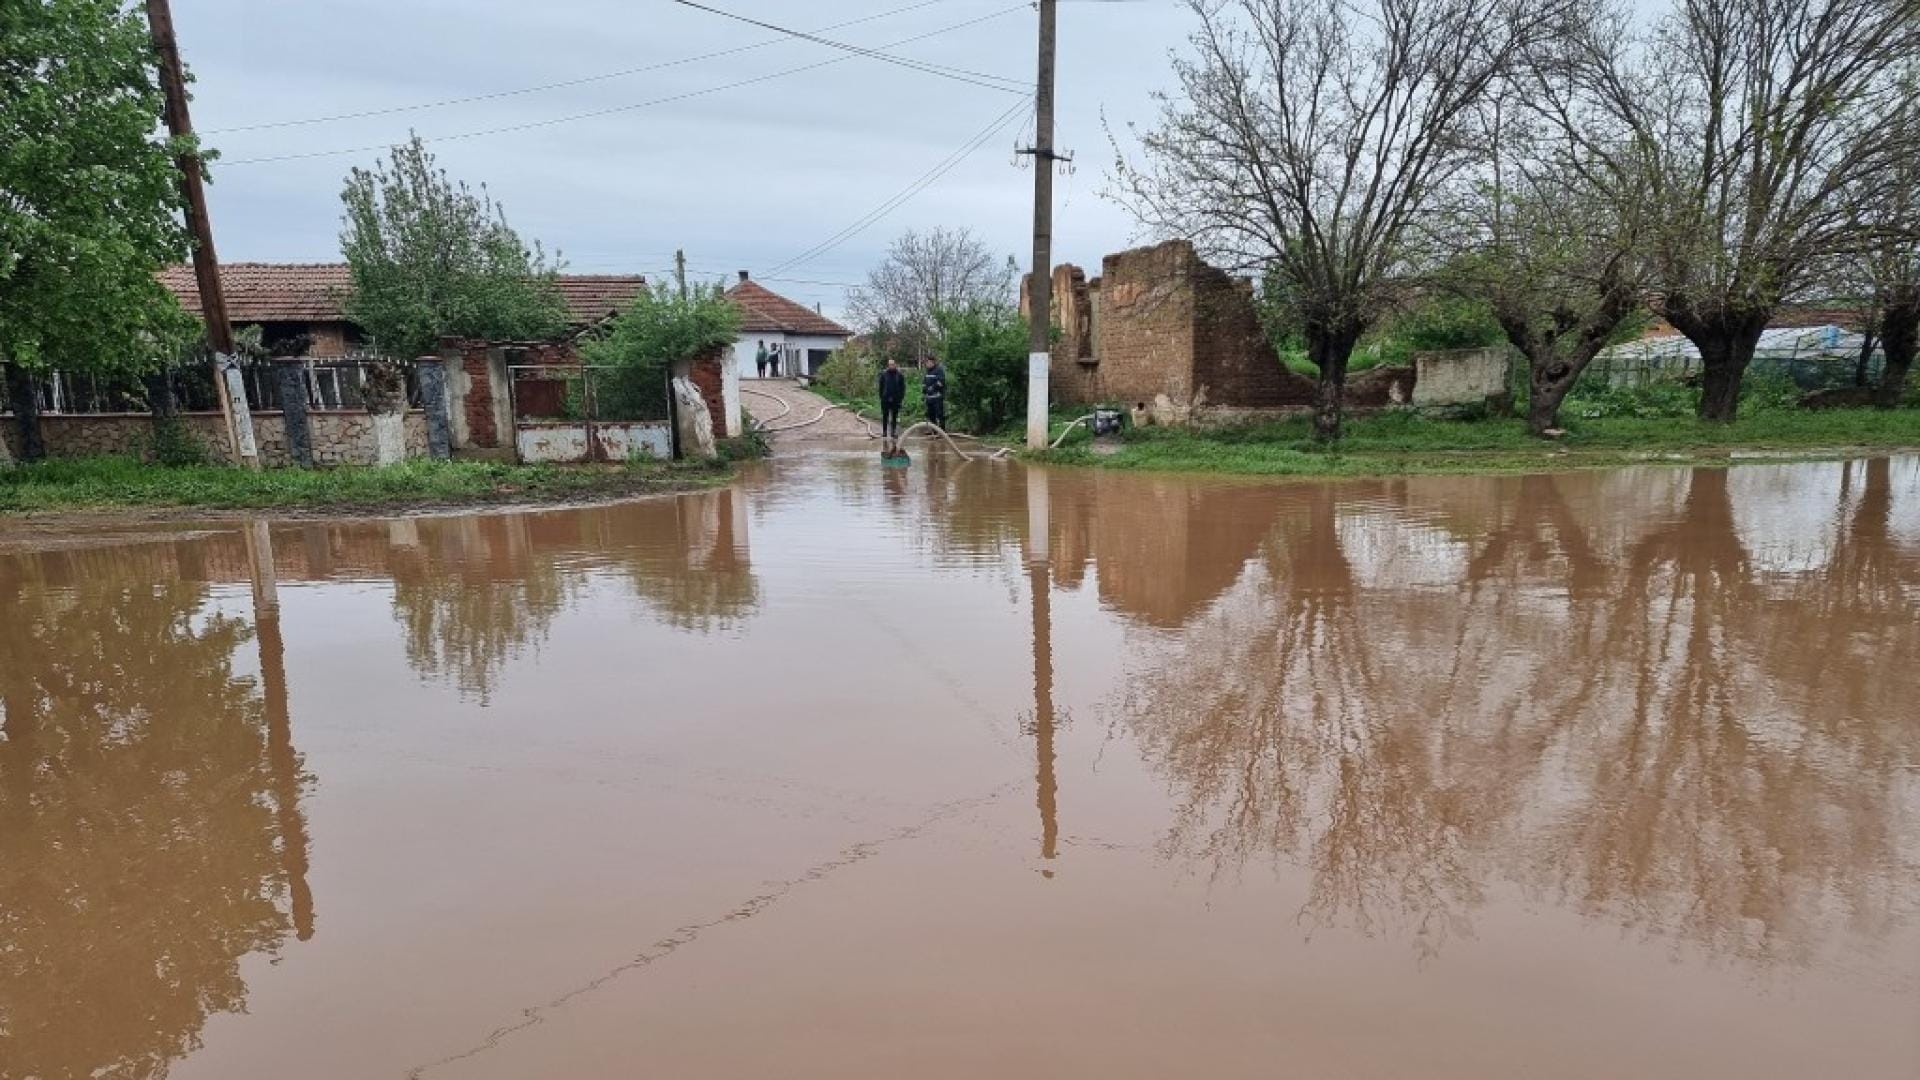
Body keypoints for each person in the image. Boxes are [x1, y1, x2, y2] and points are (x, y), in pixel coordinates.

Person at [878, 356, 907, 443]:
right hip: (885, 399)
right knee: (885, 416)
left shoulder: (899, 375)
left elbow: (903, 388)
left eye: (892, 364)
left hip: (896, 399)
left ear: (895, 365)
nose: (891, 366)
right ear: (888, 365)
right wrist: (881, 397)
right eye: (889, 364)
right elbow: (881, 386)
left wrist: (901, 398)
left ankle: (893, 432)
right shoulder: (884, 374)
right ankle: (884, 431)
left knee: (894, 416)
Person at [921, 354, 948, 431]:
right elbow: (924, 382)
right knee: (931, 415)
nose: (926, 364)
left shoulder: (939, 370)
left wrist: (932, 388)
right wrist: (924, 392)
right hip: (929, 398)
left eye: (927, 362)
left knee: (939, 415)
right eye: (926, 362)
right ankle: (934, 430)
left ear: (932, 362)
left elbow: (941, 382)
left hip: (937, 397)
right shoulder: (927, 372)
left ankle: (942, 430)